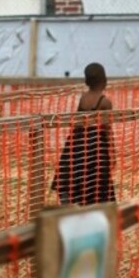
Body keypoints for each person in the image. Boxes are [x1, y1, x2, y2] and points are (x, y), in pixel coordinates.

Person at [51, 63, 116, 205]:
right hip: (96, 147)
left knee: (77, 173)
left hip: (77, 143)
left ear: (86, 82)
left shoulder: (83, 98)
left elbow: (78, 121)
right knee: (96, 178)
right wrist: (113, 153)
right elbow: (107, 129)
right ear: (105, 81)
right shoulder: (105, 102)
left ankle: (72, 197)